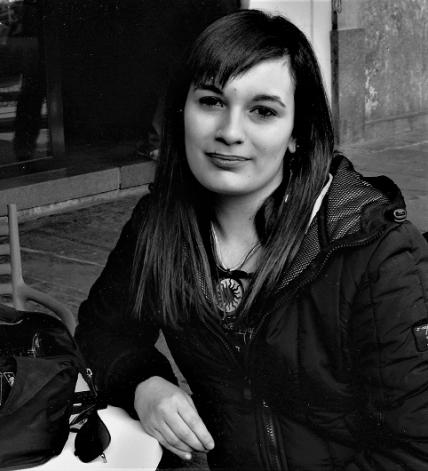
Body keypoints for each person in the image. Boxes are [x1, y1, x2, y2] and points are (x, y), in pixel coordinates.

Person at [76, 9, 428, 470]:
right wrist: (145, 385)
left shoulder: (374, 248)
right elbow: (102, 333)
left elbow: (415, 448)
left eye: (262, 111)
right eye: (211, 102)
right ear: (183, 112)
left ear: (297, 134)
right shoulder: (159, 226)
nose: (229, 132)